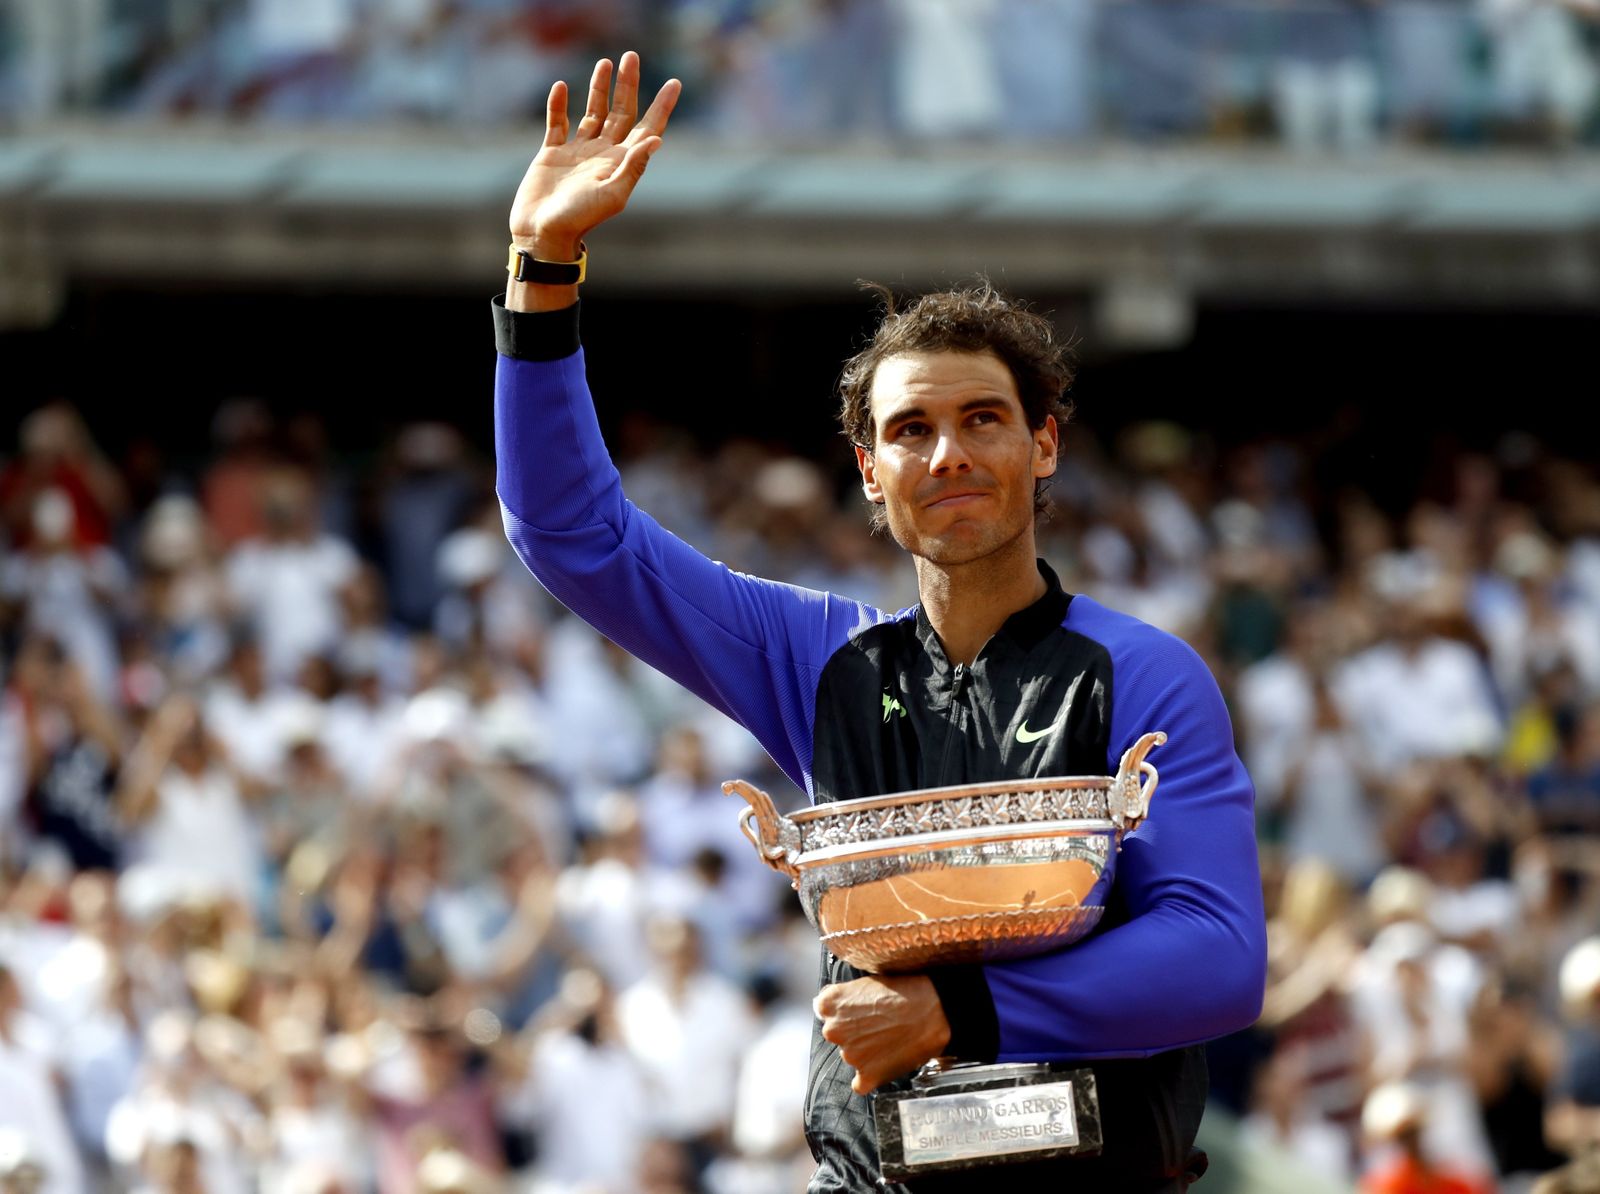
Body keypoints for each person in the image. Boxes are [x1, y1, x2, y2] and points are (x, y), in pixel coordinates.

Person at [490, 50, 1266, 1193]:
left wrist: (957, 1009)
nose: (946, 453)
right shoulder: (817, 661)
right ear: (867, 469)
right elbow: (569, 534)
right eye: (909, 431)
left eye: (983, 418)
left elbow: (1216, 958)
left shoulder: (1140, 673)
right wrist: (541, 271)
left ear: (1041, 445)